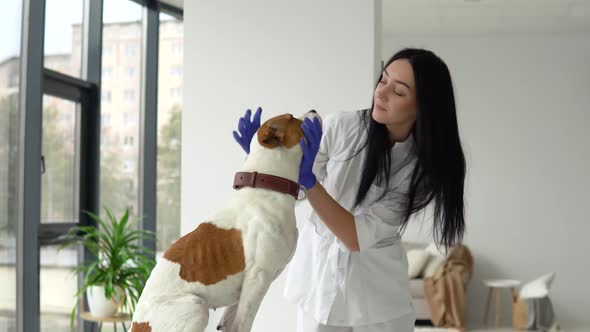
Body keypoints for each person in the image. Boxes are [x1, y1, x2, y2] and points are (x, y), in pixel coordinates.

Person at [233, 48, 466, 332]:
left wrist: (308, 181)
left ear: (423, 107)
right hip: (318, 284)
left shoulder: (419, 171)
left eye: (399, 91)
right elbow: (296, 192)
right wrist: (263, 160)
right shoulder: (343, 126)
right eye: (383, 80)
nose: (381, 93)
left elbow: (355, 236)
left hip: (376, 299)